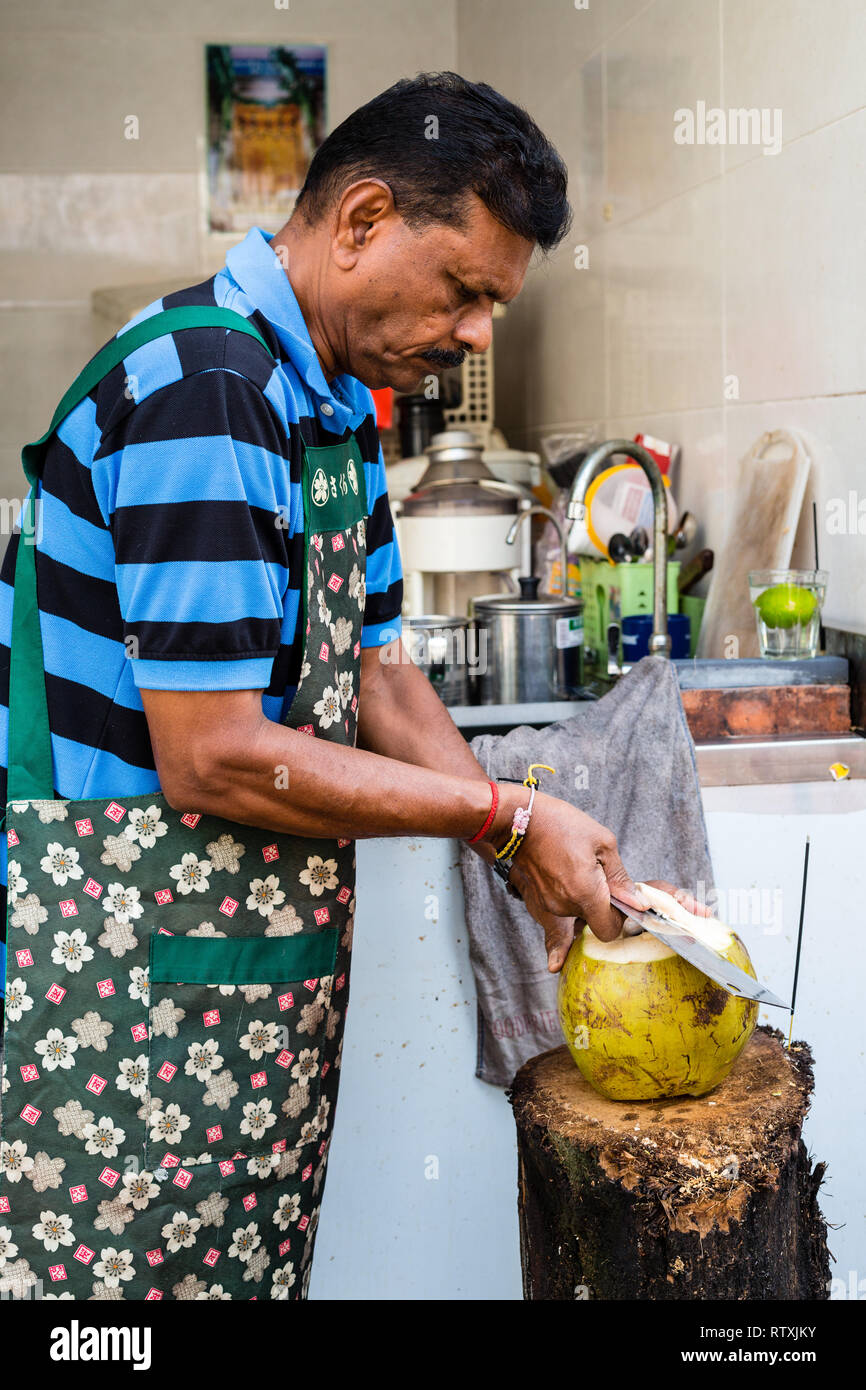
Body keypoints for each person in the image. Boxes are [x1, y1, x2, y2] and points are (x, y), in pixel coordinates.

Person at [0, 73, 702, 1300]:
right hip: (123, 996)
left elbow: (379, 673)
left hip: (236, 994)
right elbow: (211, 752)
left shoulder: (324, 409)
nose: (478, 331)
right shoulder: (203, 391)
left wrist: (516, 837)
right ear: (363, 217)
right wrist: (504, 816)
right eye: (467, 289)